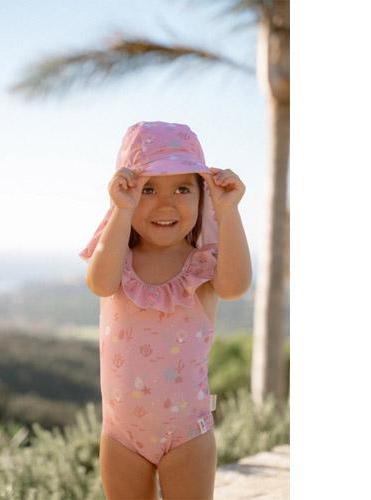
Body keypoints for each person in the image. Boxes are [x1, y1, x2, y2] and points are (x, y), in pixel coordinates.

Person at [79, 121, 252, 500]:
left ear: (202, 195)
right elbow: (99, 284)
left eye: (182, 188)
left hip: (187, 433)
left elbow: (236, 286)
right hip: (121, 435)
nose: (165, 203)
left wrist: (228, 211)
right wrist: (121, 209)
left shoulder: (203, 265)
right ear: (126, 190)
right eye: (148, 188)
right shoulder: (117, 262)